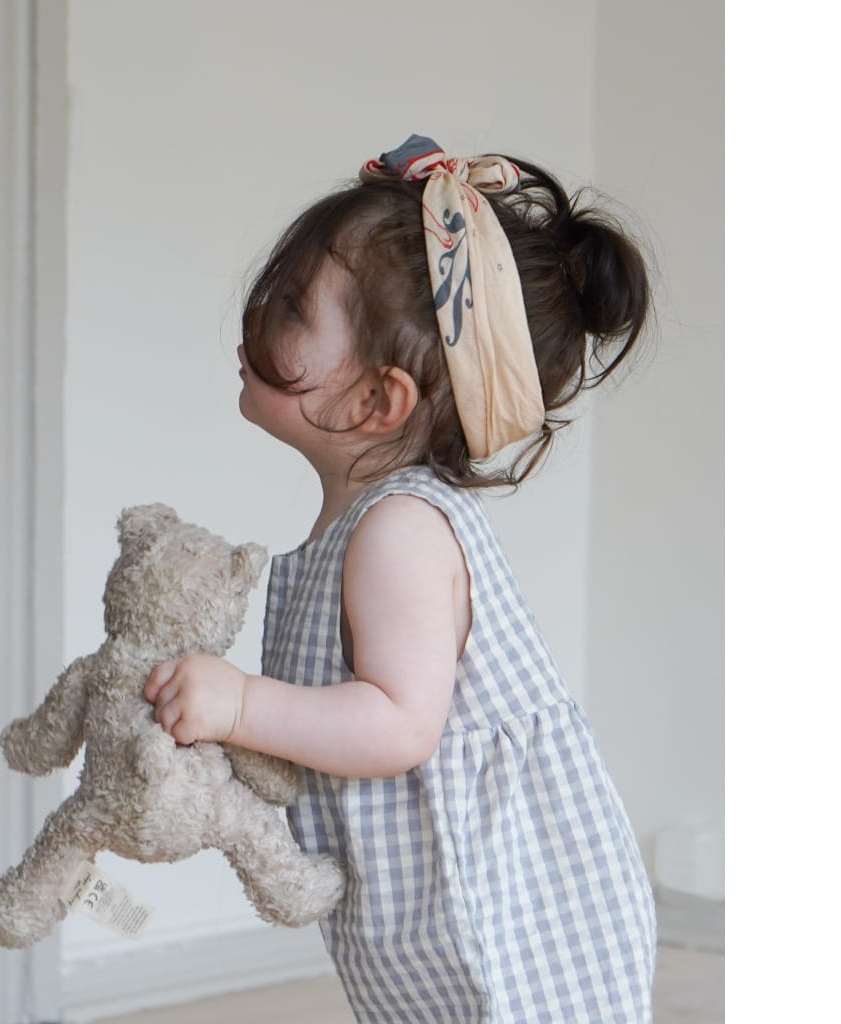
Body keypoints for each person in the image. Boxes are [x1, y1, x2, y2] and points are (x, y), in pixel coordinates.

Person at [144, 134, 656, 1023]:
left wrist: (241, 705)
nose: (257, 309)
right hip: (425, 925)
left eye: (292, 306)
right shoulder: (357, 522)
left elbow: (397, 723)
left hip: (508, 931)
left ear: (377, 401)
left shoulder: (400, 530)